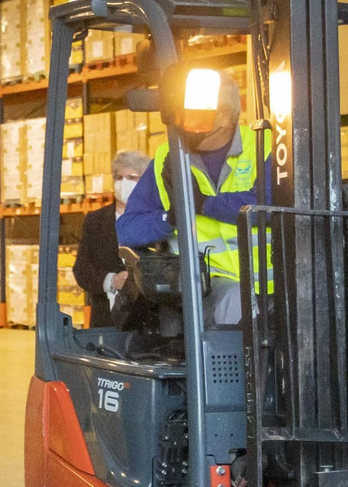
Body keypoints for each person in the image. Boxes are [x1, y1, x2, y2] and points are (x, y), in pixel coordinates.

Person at [116, 75, 270, 327]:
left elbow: (273, 204)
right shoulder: (169, 157)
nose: (185, 123)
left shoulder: (265, 145)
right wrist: (170, 218)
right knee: (235, 301)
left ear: (225, 114)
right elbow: (127, 228)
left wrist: (204, 204)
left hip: (277, 281)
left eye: (196, 114)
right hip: (205, 284)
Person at [74, 151, 150, 328]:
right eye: (119, 177)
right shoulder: (96, 221)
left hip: (147, 319)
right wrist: (112, 281)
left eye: (132, 177)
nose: (124, 183)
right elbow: (82, 269)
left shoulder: (153, 219)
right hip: (105, 319)